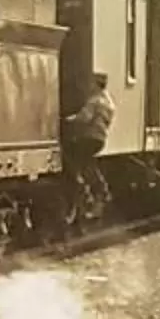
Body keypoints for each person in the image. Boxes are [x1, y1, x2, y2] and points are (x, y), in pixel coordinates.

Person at [63, 73, 116, 221]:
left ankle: (82, 186)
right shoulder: (109, 102)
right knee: (87, 161)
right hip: (100, 138)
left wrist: (68, 120)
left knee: (69, 153)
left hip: (89, 136)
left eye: (92, 83)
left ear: (96, 84)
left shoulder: (95, 101)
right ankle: (97, 189)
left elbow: (84, 118)